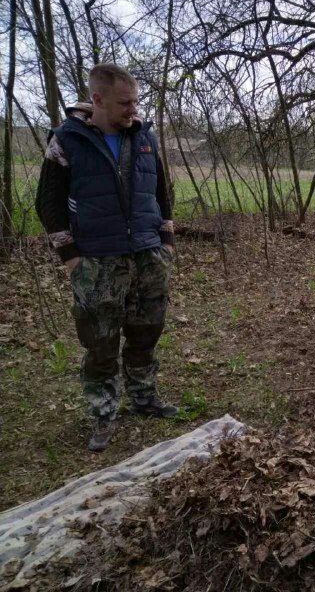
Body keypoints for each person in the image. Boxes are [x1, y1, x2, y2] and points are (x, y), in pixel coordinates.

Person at [36, 63, 178, 452]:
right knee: (100, 342)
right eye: (124, 102)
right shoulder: (67, 140)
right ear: (97, 100)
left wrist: (165, 242)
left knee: (147, 332)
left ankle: (145, 398)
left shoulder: (144, 138)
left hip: (148, 255)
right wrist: (71, 258)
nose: (133, 108)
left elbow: (162, 193)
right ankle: (103, 412)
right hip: (98, 260)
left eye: (135, 100)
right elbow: (48, 203)